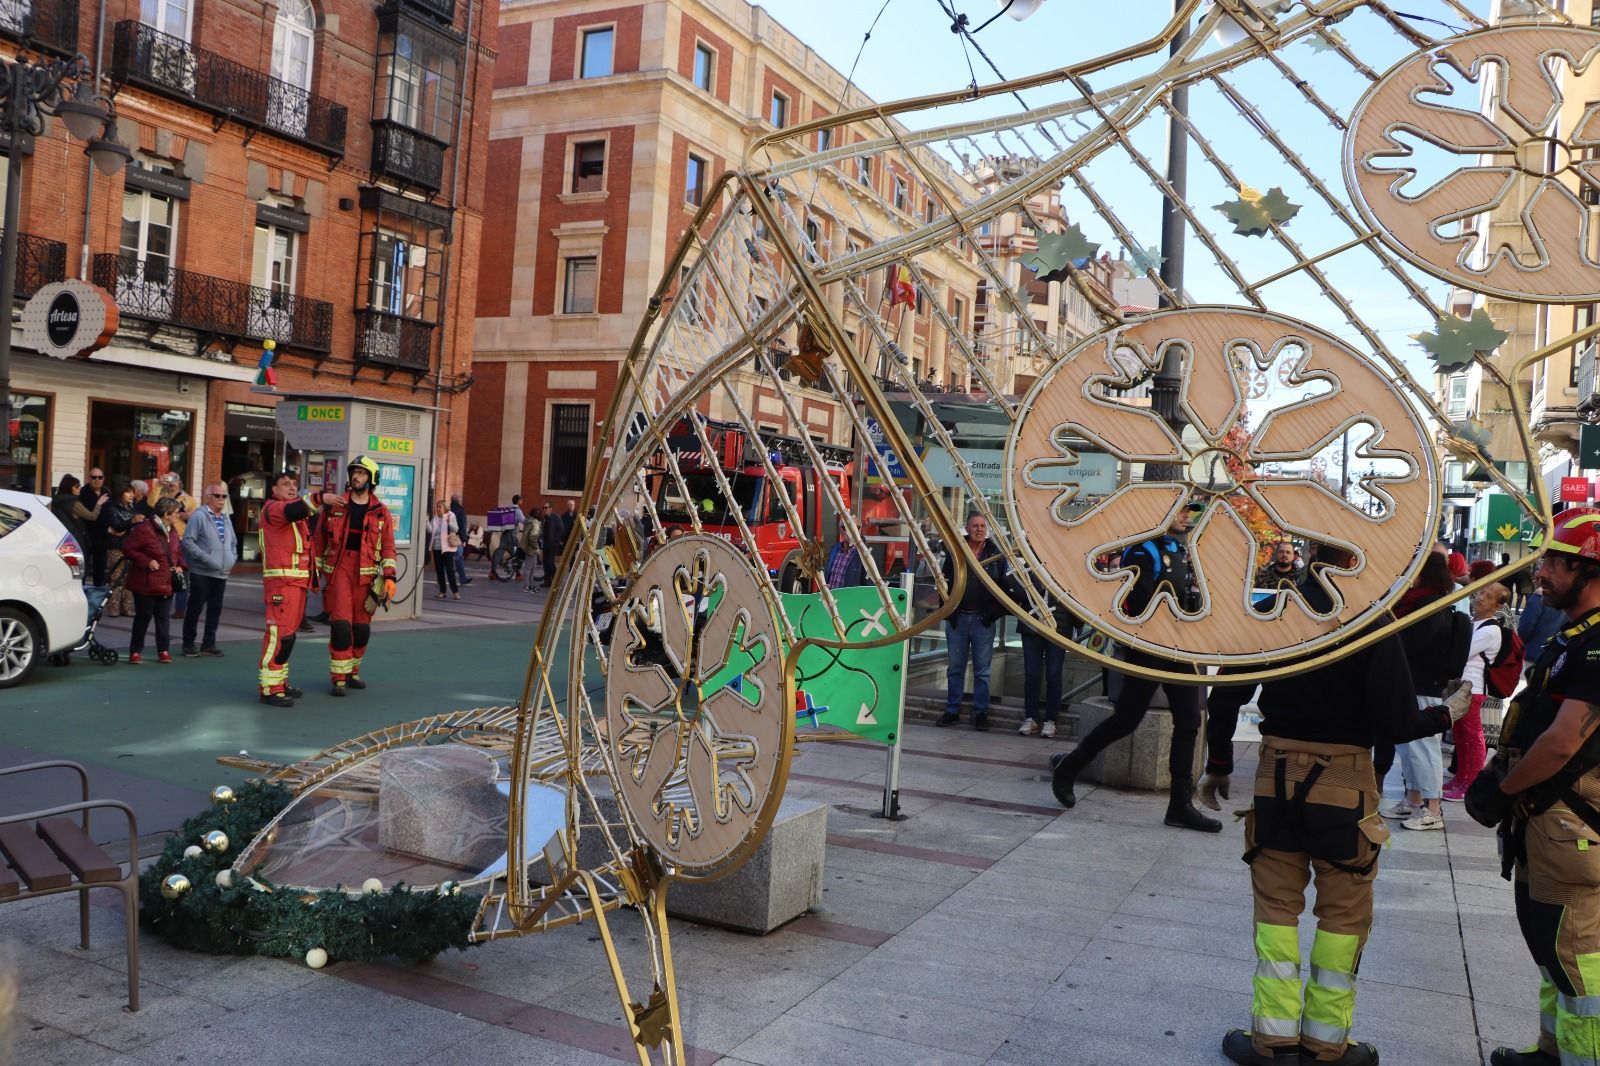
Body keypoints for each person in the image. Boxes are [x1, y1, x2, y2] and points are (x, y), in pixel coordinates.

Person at [1223, 561, 1470, 1066]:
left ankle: (1271, 1038)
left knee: (1276, 906)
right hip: (1346, 778)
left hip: (1277, 772)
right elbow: (1396, 720)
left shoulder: (1278, 612)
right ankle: (1325, 1042)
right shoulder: (1371, 623)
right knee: (1343, 910)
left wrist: (1216, 763)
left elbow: (1228, 691)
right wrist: (1448, 713)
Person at [1470, 510, 1600, 1066]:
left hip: (1569, 816)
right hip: (1547, 815)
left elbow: (1564, 741)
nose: (1540, 573)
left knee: (1575, 955)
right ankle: (1552, 1051)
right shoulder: (1576, 637)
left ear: (1589, 568)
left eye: (1552, 562)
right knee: (1551, 944)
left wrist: (1501, 791)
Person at [1050, 501, 1221, 831]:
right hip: (1150, 647)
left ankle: (1180, 805)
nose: (1187, 517)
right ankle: (1070, 766)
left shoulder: (1181, 549)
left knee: (1189, 721)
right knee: (1127, 719)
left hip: (1178, 648)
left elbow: (1187, 597)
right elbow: (1139, 600)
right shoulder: (1143, 550)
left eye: (1189, 512)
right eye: (1182, 510)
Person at [1382, 552, 1470, 831]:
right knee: (1408, 748)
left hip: (1424, 683)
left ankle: (1432, 808)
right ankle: (1413, 800)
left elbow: (1412, 644)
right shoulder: (1421, 601)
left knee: (1423, 747)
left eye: (1413, 569)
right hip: (1412, 682)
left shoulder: (1430, 605)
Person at [312, 456, 397, 697]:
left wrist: (389, 577)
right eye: (354, 473)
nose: (356, 477)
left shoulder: (381, 512)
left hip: (367, 575)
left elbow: (389, 547)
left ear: (372, 479)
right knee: (340, 626)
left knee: (361, 629)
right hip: (339, 571)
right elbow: (319, 540)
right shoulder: (334, 506)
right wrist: (315, 574)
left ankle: (352, 672)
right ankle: (338, 678)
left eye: (362, 473)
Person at [938, 513, 1007, 731]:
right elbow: (943, 582)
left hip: (982, 621)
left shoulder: (996, 555)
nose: (979, 529)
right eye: (975, 526)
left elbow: (1005, 590)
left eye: (983, 526)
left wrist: (990, 615)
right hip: (958, 620)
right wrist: (949, 612)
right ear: (967, 529)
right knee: (955, 668)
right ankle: (952, 711)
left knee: (982, 672)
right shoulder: (957, 553)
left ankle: (980, 713)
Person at [257, 471, 321, 707]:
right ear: (273, 490)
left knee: (288, 636)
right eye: (285, 484)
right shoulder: (274, 508)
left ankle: (280, 682)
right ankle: (269, 688)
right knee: (278, 635)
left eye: (294, 484)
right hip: (281, 583)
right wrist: (320, 498)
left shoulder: (292, 513)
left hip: (295, 582)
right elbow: (295, 510)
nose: (292, 488)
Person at [1444, 582, 1510, 802]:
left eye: (1489, 596)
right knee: (1461, 737)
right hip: (1462, 687)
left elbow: (1462, 651)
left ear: (1497, 605)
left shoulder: (1491, 629)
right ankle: (1461, 778)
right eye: (1482, 592)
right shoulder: (1475, 623)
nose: (1481, 598)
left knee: (1472, 737)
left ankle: (1469, 783)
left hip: (1472, 688)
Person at [121, 497, 187, 665]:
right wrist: (146, 561)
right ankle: (135, 651)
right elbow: (128, 548)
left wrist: (181, 565)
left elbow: (177, 551)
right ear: (166, 514)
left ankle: (163, 650)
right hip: (146, 582)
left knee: (163, 619)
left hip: (166, 581)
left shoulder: (171, 529)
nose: (178, 516)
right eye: (176, 513)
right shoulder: (145, 529)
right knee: (143, 617)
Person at [179, 483, 237, 657]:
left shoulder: (226, 518)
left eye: (223, 496)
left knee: (215, 609)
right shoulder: (199, 516)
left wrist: (232, 559)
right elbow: (188, 542)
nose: (221, 499)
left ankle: (208, 644)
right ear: (207, 497)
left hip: (221, 573)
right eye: (217, 496)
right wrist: (206, 558)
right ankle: (188, 644)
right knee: (195, 609)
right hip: (202, 572)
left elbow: (233, 542)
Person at [101, 482, 141, 617]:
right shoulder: (111, 507)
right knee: (116, 578)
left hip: (131, 545)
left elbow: (130, 527)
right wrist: (131, 522)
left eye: (132, 492)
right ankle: (113, 608)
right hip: (116, 546)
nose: (132, 495)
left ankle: (127, 607)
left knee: (129, 578)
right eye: (128, 492)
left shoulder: (133, 507)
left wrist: (128, 526)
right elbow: (116, 526)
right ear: (120, 493)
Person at [51, 474, 103, 549]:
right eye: (77, 486)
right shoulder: (74, 503)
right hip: (76, 537)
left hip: (62, 536)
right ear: (71, 488)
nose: (80, 488)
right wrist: (99, 503)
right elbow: (92, 516)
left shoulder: (57, 500)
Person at [79, 468, 109, 585]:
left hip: (103, 536)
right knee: (84, 566)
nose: (97, 480)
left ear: (103, 479)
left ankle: (98, 595)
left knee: (100, 567)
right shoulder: (83, 492)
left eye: (100, 477)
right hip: (88, 535)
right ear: (88, 478)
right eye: (94, 477)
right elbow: (85, 514)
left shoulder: (106, 492)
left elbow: (110, 511)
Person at [428, 499, 461, 600]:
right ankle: (442, 591)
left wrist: (449, 522)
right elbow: (430, 531)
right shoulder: (435, 518)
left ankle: (455, 592)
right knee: (439, 570)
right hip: (437, 547)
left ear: (445, 508)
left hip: (447, 548)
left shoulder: (451, 516)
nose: (438, 509)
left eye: (440, 507)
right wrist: (426, 521)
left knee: (450, 570)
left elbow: (456, 529)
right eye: (437, 507)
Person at [541, 501, 565, 588]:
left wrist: (556, 539)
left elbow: (561, 529)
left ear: (550, 509)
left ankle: (556, 581)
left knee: (550, 562)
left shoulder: (555, 517)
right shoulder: (545, 518)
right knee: (545, 563)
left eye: (546, 508)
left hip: (553, 544)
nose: (544, 509)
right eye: (543, 508)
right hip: (545, 543)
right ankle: (547, 581)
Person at [519, 505, 543, 593]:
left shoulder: (528, 521)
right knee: (529, 568)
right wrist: (536, 547)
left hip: (526, 547)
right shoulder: (535, 524)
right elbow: (533, 537)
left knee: (532, 567)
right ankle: (527, 586)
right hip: (531, 549)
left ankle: (530, 585)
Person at [449, 494, 472, 587]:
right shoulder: (460, 510)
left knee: (449, 559)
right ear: (458, 501)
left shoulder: (449, 509)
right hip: (457, 538)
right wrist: (464, 539)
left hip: (448, 536)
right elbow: (463, 525)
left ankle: (440, 580)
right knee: (459, 558)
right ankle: (462, 579)